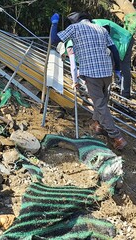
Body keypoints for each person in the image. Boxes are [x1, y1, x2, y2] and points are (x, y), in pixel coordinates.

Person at [50, 12, 128, 150]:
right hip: (106, 72)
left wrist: (54, 23)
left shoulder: (75, 28)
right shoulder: (100, 28)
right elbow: (114, 50)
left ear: (75, 22)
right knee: (102, 102)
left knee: (100, 105)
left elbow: (54, 40)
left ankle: (117, 137)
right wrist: (117, 69)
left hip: (92, 74)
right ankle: (98, 126)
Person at [91, 17, 134, 99]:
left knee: (124, 66)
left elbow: (104, 43)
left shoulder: (99, 26)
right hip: (116, 43)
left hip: (125, 40)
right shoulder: (93, 25)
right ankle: (116, 86)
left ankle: (125, 94)